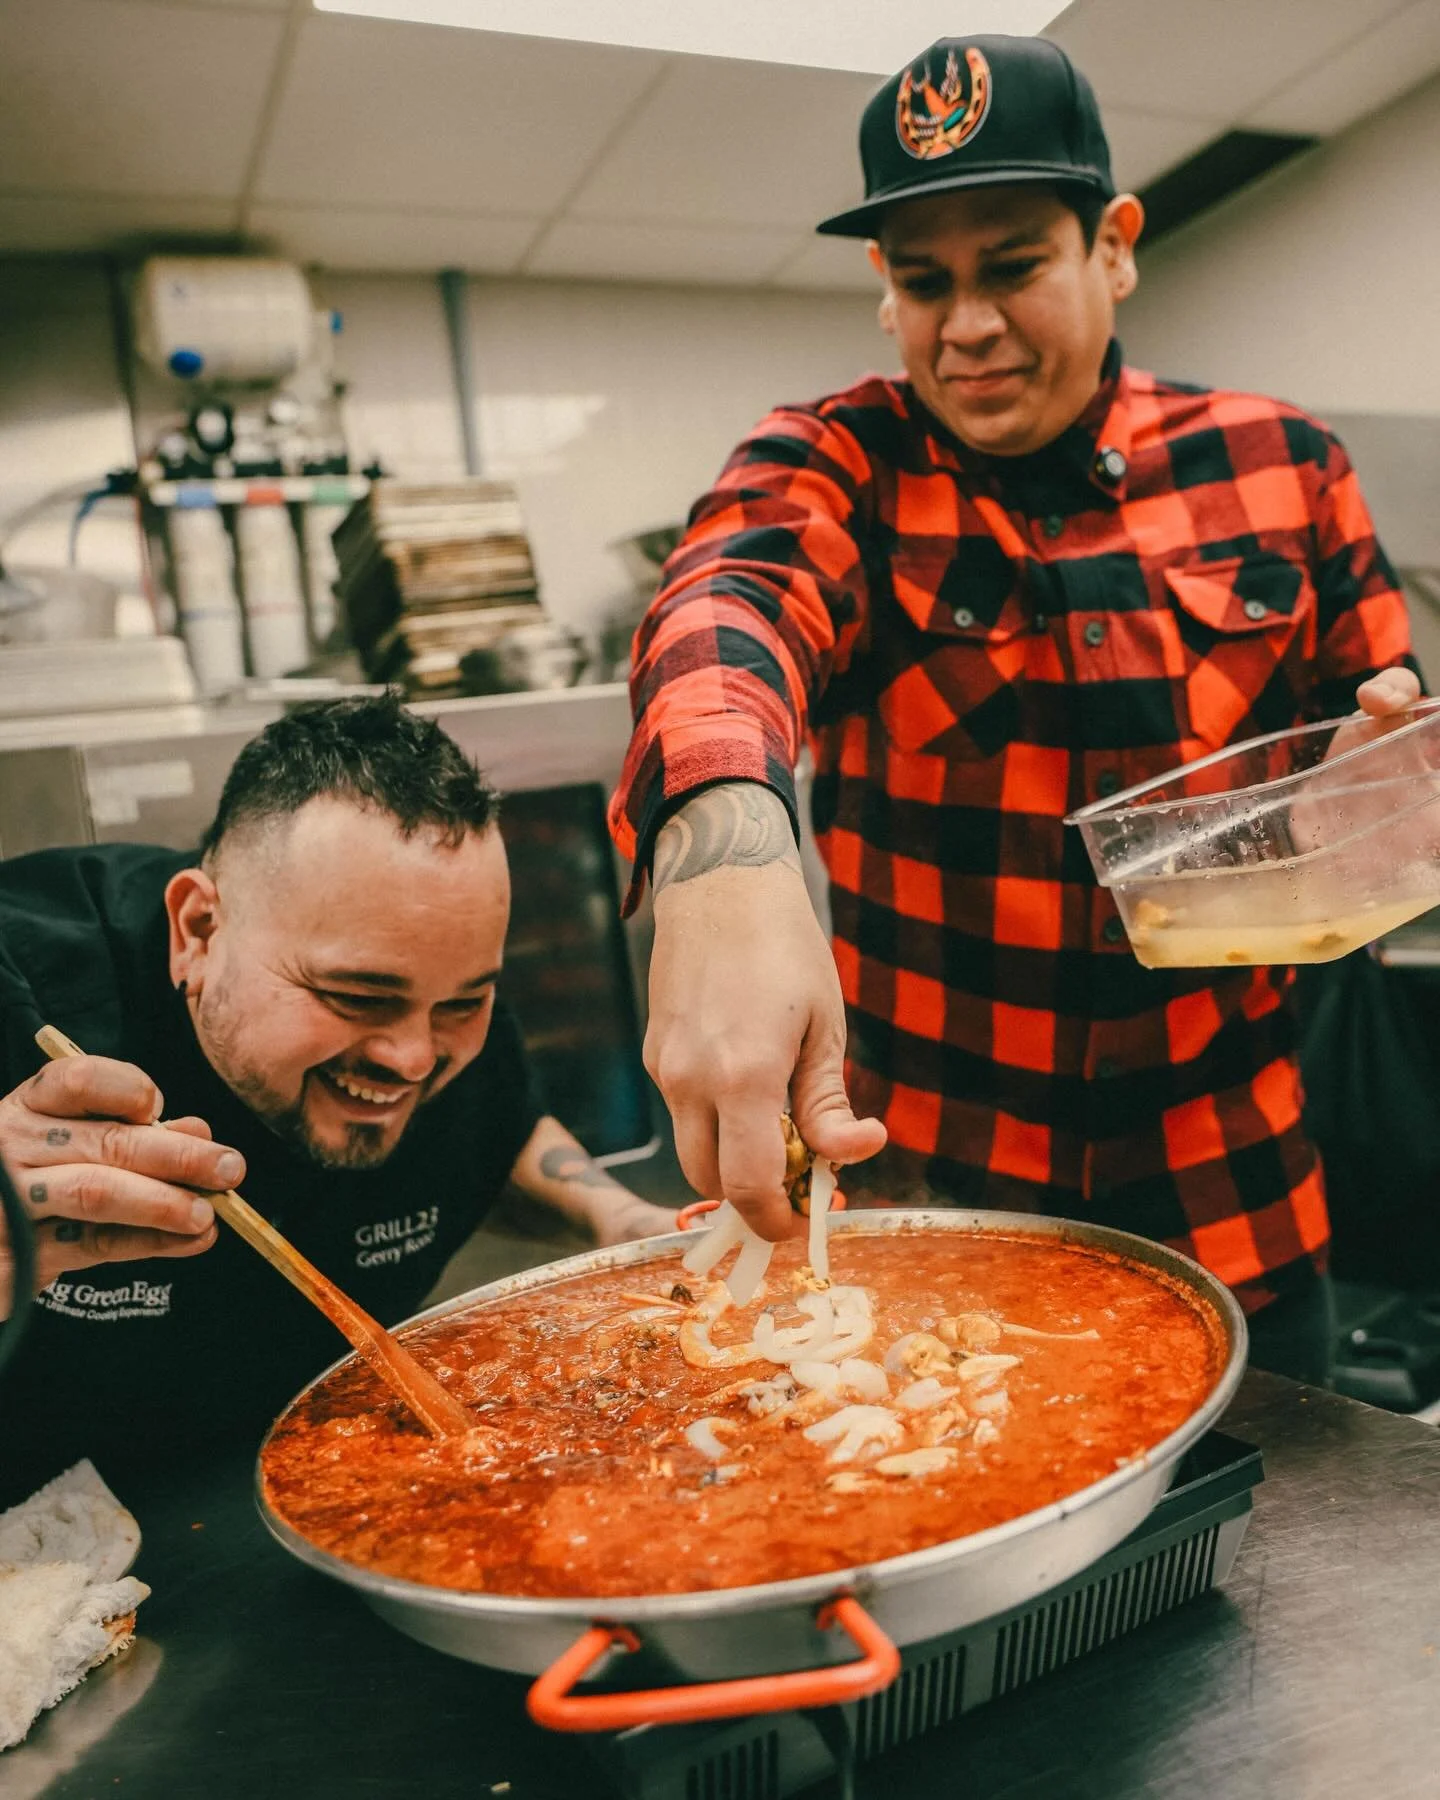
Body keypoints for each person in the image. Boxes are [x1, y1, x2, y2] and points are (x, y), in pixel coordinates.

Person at [608, 33, 1420, 1383]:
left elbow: (1386, 739)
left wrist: (1371, 800)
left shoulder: (1284, 464)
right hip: (941, 1229)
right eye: (923, 282)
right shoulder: (844, 461)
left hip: (1237, 1207)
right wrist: (725, 848)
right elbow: (727, 603)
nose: (966, 326)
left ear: (1115, 246)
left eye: (1012, 267)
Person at [0, 696, 675, 1503]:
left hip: (315, 1482)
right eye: (358, 998)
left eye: (463, 1003)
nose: (413, 1058)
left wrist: (619, 1221)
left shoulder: (438, 986)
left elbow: (492, 1133)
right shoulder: (24, 987)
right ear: (198, 931)